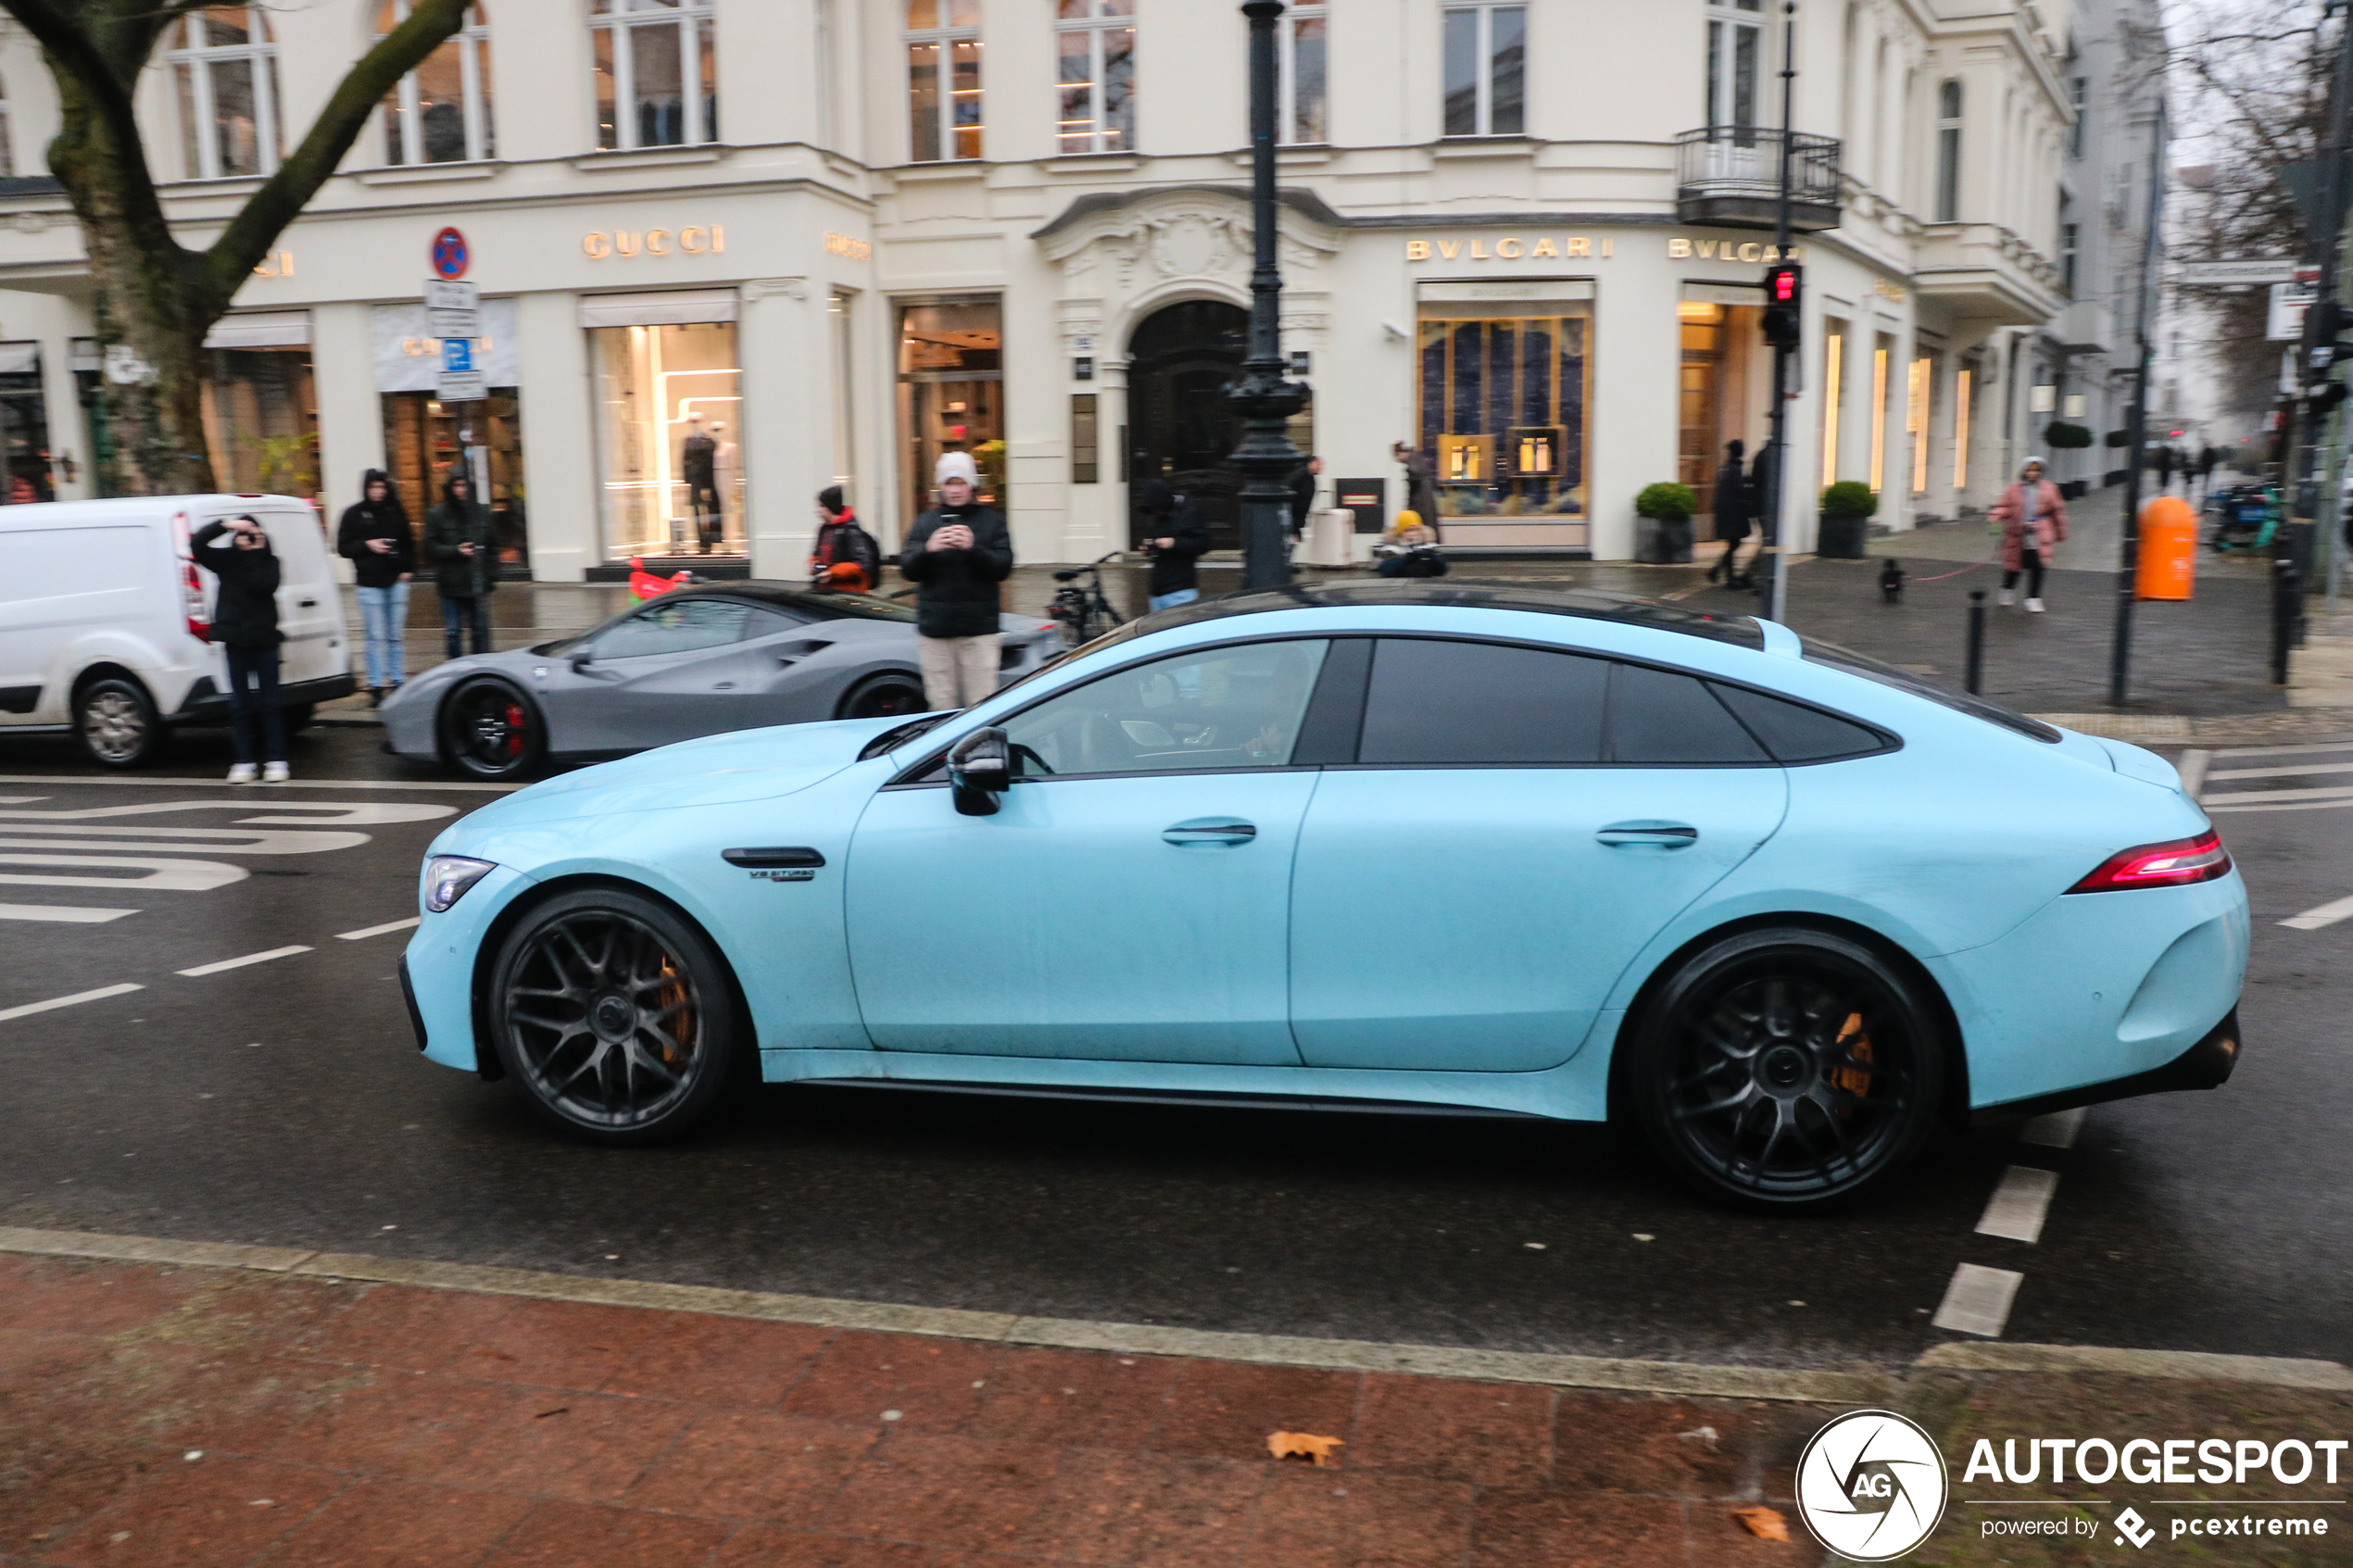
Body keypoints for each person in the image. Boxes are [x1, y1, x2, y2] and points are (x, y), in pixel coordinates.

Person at [900, 451, 1014, 710]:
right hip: (936, 634)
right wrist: (928, 549)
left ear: (972, 485)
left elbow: (1003, 568)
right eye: (949, 483)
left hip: (979, 633)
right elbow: (908, 569)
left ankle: (979, 752)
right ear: (940, 486)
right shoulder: (925, 523)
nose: (955, 490)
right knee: (941, 707)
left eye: (960, 482)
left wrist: (973, 548)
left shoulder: (992, 522)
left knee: (982, 706)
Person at [192, 515, 290, 784]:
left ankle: (275, 759)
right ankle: (244, 761)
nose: (244, 538)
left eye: (250, 533)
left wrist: (256, 551)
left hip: (265, 642)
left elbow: (263, 585)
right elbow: (197, 545)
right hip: (235, 642)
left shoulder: (270, 562)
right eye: (241, 533)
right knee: (240, 705)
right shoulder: (225, 561)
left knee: (270, 703)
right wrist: (225, 524)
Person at [336, 469, 414, 707]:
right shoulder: (354, 514)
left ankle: (397, 680)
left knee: (394, 635)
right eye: (373, 488)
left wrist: (408, 569)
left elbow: (409, 541)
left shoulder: (395, 510)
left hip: (396, 581)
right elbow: (343, 547)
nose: (378, 492)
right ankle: (376, 684)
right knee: (375, 636)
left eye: (381, 487)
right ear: (366, 489)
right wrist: (368, 545)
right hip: (370, 583)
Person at [425, 471, 497, 658]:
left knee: (480, 629)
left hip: (478, 582)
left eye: (464, 485)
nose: (461, 490)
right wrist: (456, 550)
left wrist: (491, 577)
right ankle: (454, 668)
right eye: (457, 485)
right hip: (451, 584)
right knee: (453, 630)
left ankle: (481, 666)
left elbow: (492, 546)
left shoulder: (482, 512)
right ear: (450, 488)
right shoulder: (437, 514)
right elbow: (430, 548)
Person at [1989, 456, 2068, 613]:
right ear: (2024, 471)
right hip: (2017, 533)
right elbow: (2005, 506)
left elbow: (2057, 511)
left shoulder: (2049, 488)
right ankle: (2007, 590)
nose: (2033, 473)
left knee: (2038, 566)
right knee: (2014, 566)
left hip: (2039, 535)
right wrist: (1996, 516)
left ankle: (2034, 598)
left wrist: (2061, 531)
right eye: (2030, 470)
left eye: (2037, 470)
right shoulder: (2014, 489)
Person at [1141, 479, 1210, 611]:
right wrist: (1148, 547)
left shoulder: (1189, 513)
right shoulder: (1157, 518)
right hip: (1157, 590)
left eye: (1158, 509)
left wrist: (1174, 542)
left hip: (1181, 589)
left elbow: (1203, 544)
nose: (1156, 513)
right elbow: (1153, 541)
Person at [809, 485, 882, 593]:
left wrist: (832, 572)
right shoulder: (824, 529)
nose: (817, 510)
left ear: (830, 507)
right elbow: (818, 553)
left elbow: (862, 564)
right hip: (828, 588)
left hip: (849, 592)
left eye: (821, 506)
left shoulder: (850, 530)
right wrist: (812, 562)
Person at [1706, 439, 1753, 587]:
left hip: (1725, 511)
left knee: (1733, 543)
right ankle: (1719, 572)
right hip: (1734, 512)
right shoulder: (1735, 469)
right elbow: (1740, 491)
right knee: (1735, 543)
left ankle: (1724, 574)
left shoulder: (1725, 468)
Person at [683, 416, 722, 552]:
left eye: (696, 422)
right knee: (697, 512)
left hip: (709, 479)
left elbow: (711, 462)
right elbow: (685, 461)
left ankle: (712, 539)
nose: (694, 425)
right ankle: (702, 541)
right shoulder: (688, 441)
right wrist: (687, 479)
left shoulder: (709, 441)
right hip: (695, 481)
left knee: (711, 510)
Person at [1391, 440, 1439, 525]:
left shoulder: (1414, 470)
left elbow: (1415, 498)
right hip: (1426, 512)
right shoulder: (1420, 465)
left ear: (1399, 453)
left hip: (1421, 513)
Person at [1288, 455, 1321, 551]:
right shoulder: (1299, 475)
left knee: (1294, 539)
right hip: (1293, 515)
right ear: (1311, 464)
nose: (1320, 467)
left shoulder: (1310, 478)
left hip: (1298, 517)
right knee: (1292, 538)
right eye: (1318, 464)